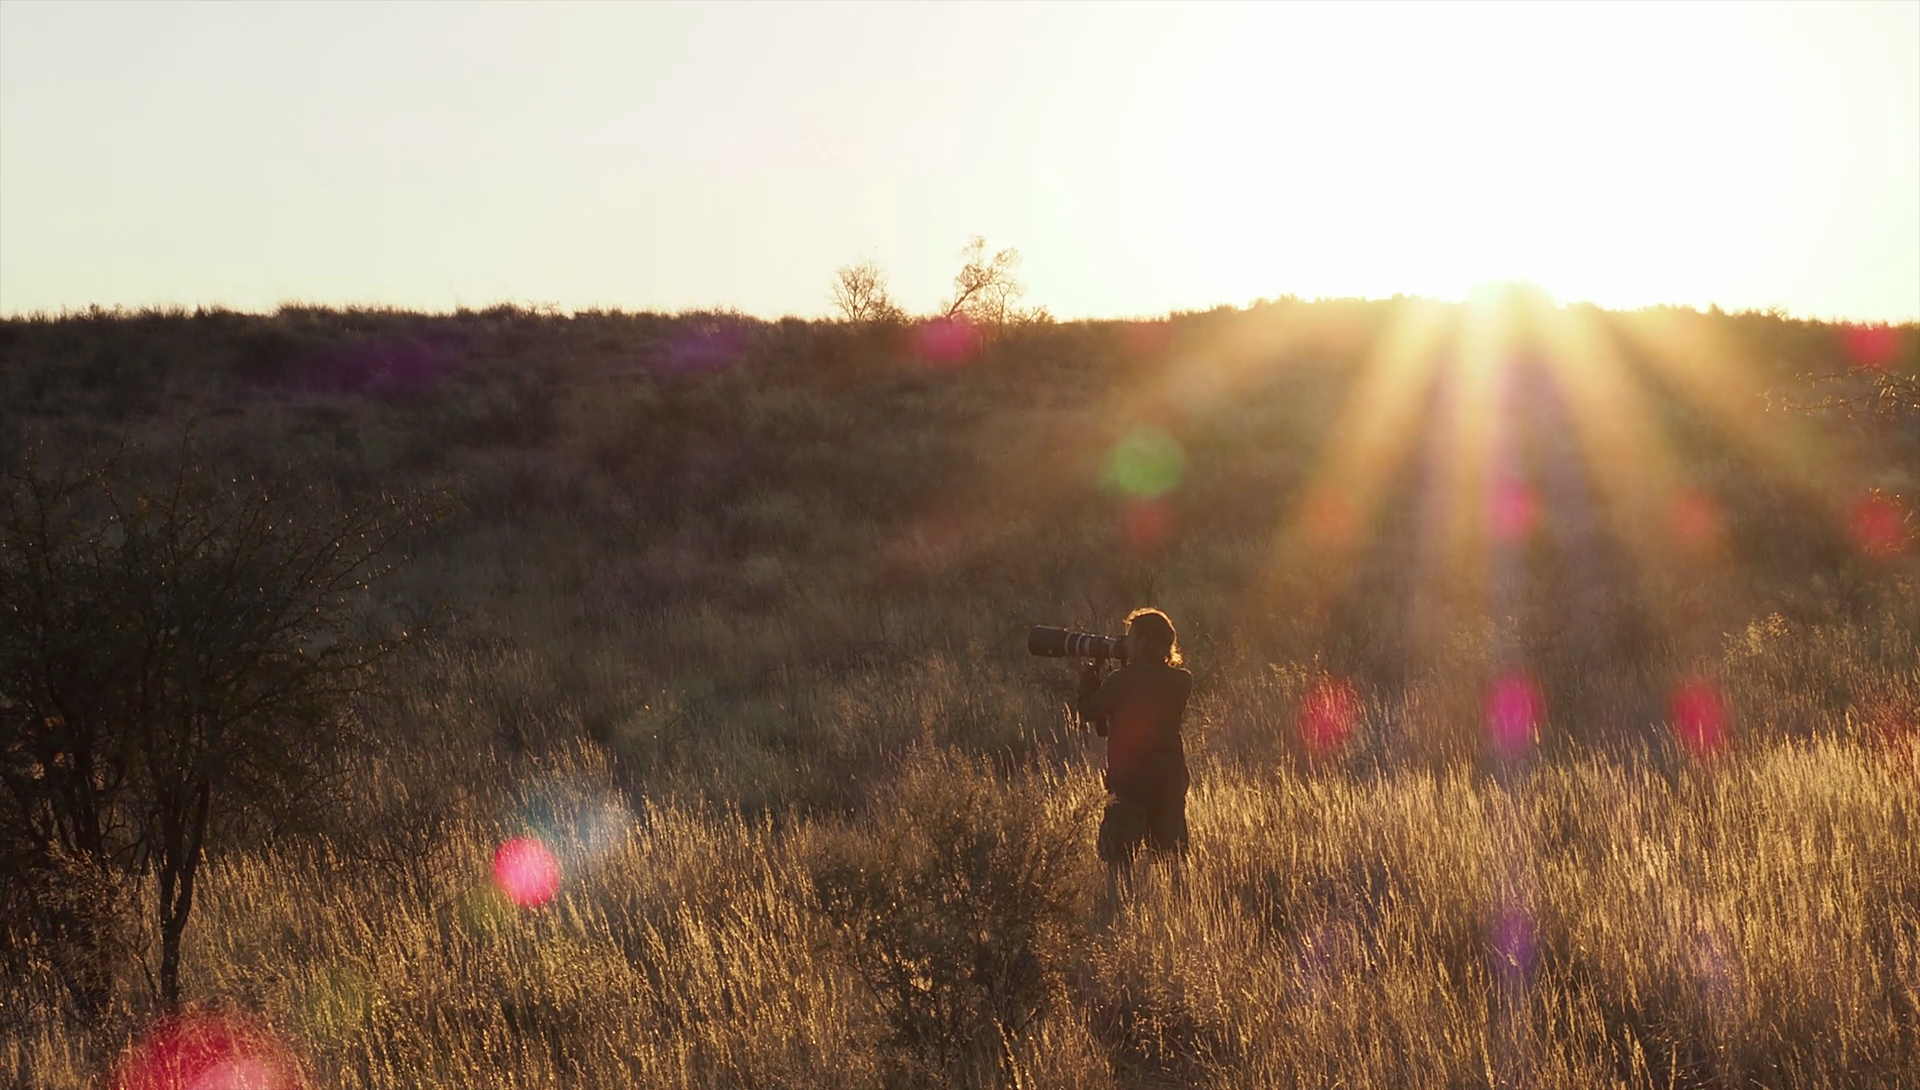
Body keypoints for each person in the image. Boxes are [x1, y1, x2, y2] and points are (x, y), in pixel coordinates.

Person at [1077, 607, 1193, 867]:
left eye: (1130, 637)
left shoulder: (1121, 680)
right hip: (1169, 780)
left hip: (1129, 782)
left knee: (1118, 862)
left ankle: (1119, 906)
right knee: (1171, 860)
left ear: (1141, 642)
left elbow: (1089, 710)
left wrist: (1088, 678)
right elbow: (1148, 683)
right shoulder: (1182, 680)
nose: (1124, 642)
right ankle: (1175, 906)